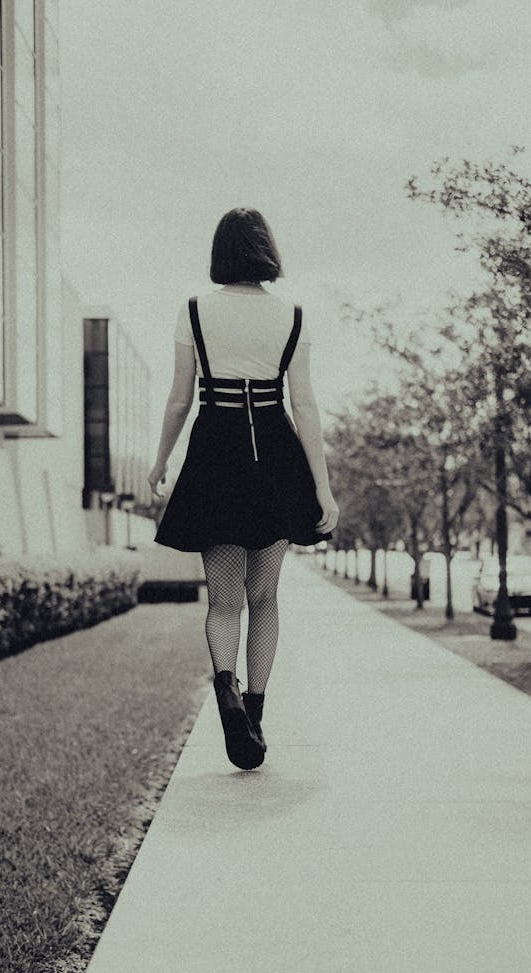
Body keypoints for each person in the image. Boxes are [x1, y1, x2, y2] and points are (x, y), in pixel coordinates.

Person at [147, 207, 339, 772]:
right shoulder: (293, 316)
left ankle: (226, 691)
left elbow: (180, 398)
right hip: (276, 460)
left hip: (215, 458)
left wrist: (162, 461)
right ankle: (253, 713)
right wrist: (322, 492)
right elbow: (303, 406)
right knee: (265, 598)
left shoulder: (193, 312)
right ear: (266, 250)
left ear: (220, 252)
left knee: (224, 601)